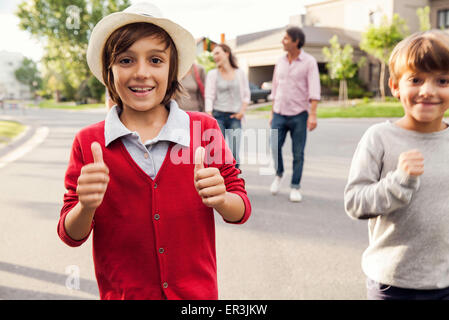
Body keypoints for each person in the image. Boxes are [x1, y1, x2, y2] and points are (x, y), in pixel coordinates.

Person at [57, 3, 251, 300]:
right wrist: (86, 206)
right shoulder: (88, 142)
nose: (141, 72)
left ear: (172, 69)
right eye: (125, 60)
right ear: (109, 70)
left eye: (156, 60)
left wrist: (223, 198)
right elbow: (71, 234)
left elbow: (241, 210)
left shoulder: (204, 129)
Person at [344, 30, 449, 300]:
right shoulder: (379, 138)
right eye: (415, 79)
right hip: (393, 284)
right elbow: (355, 203)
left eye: (442, 80)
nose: (428, 90)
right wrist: (398, 181)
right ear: (394, 86)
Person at [269, 26, 320, 202]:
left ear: (296, 41)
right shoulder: (280, 61)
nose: (283, 41)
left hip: (299, 114)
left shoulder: (309, 61)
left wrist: (312, 114)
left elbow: (314, 89)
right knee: (274, 146)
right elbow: (275, 88)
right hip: (279, 112)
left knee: (298, 153)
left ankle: (295, 186)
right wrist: (271, 113)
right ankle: (279, 174)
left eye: (285, 38)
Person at [205, 43, 250, 169]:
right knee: (218, 153)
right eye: (214, 54)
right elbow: (209, 95)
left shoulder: (240, 73)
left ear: (227, 53)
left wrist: (242, 111)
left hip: (235, 117)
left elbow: (246, 94)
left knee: (234, 154)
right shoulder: (212, 74)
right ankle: (221, 182)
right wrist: (209, 114)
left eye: (217, 53)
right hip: (218, 116)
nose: (215, 56)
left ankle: (235, 184)